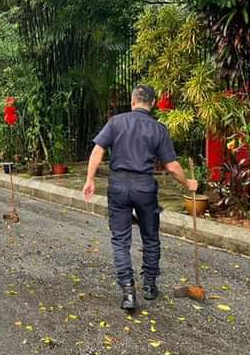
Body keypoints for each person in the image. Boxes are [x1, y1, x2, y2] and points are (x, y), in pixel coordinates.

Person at [83, 85, 197, 312]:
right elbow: (172, 166)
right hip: (144, 187)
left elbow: (98, 151)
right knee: (150, 236)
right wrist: (188, 183)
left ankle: (127, 291)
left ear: (132, 101)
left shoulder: (116, 122)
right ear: (152, 103)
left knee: (120, 240)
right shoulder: (158, 129)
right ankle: (150, 286)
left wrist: (90, 180)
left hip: (118, 186)